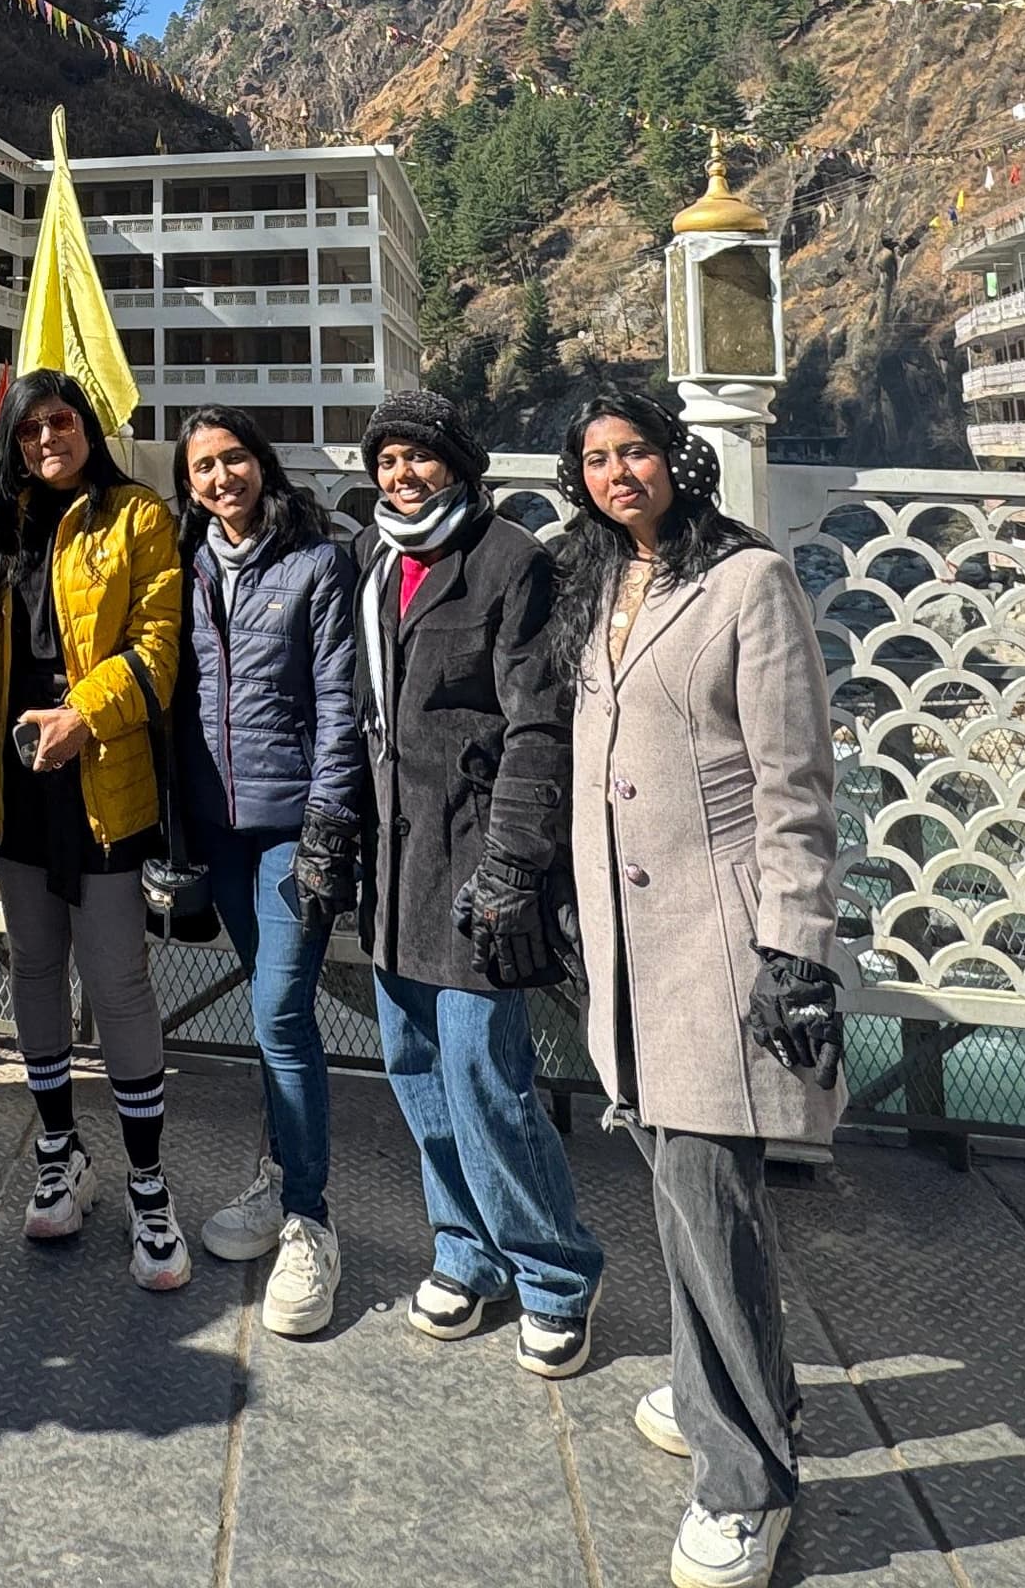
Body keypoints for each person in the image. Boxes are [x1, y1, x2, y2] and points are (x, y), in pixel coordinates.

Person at [561, 393, 840, 1588]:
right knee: (677, 1191)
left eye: (635, 453)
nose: (618, 473)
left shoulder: (745, 583)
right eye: (595, 459)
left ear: (678, 462)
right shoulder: (603, 584)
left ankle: (746, 1481)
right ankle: (721, 1389)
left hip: (719, 939)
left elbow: (796, 780)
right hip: (626, 940)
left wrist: (795, 942)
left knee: (709, 1204)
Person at [351, 387, 603, 1376]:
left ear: (459, 465)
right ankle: (465, 1249)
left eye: (419, 458)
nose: (402, 476)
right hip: (392, 865)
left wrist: (513, 866)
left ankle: (553, 1271)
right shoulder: (378, 568)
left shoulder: (511, 563)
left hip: (474, 868)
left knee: (487, 1080)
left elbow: (538, 726)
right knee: (416, 1075)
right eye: (388, 461)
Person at [0, 369, 190, 1288]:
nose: (45, 441)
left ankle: (149, 1183)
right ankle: (60, 1150)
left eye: (61, 423)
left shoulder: (135, 515)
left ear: (87, 429)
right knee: (31, 964)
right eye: (28, 429)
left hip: (102, 769)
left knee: (116, 977)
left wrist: (83, 718)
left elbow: (157, 646)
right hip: (15, 779)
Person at [170, 404, 366, 1338]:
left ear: (264, 465)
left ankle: (309, 1219)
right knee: (265, 1003)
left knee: (283, 1009)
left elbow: (340, 703)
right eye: (203, 467)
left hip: (293, 825)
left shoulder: (316, 564)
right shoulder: (187, 562)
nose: (220, 479)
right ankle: (281, 1174)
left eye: (233, 459)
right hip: (217, 826)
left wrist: (329, 822)